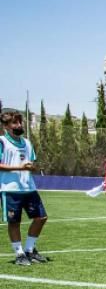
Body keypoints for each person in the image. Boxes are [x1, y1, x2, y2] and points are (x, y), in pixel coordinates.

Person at [0, 110, 47, 266]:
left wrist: (31, 167)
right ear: (6, 126)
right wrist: (19, 168)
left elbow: (31, 162)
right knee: (14, 222)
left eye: (20, 122)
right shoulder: (2, 142)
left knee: (41, 218)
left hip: (29, 187)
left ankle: (29, 250)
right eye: (14, 122)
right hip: (10, 189)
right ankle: (19, 253)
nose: (19, 125)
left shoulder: (27, 142)